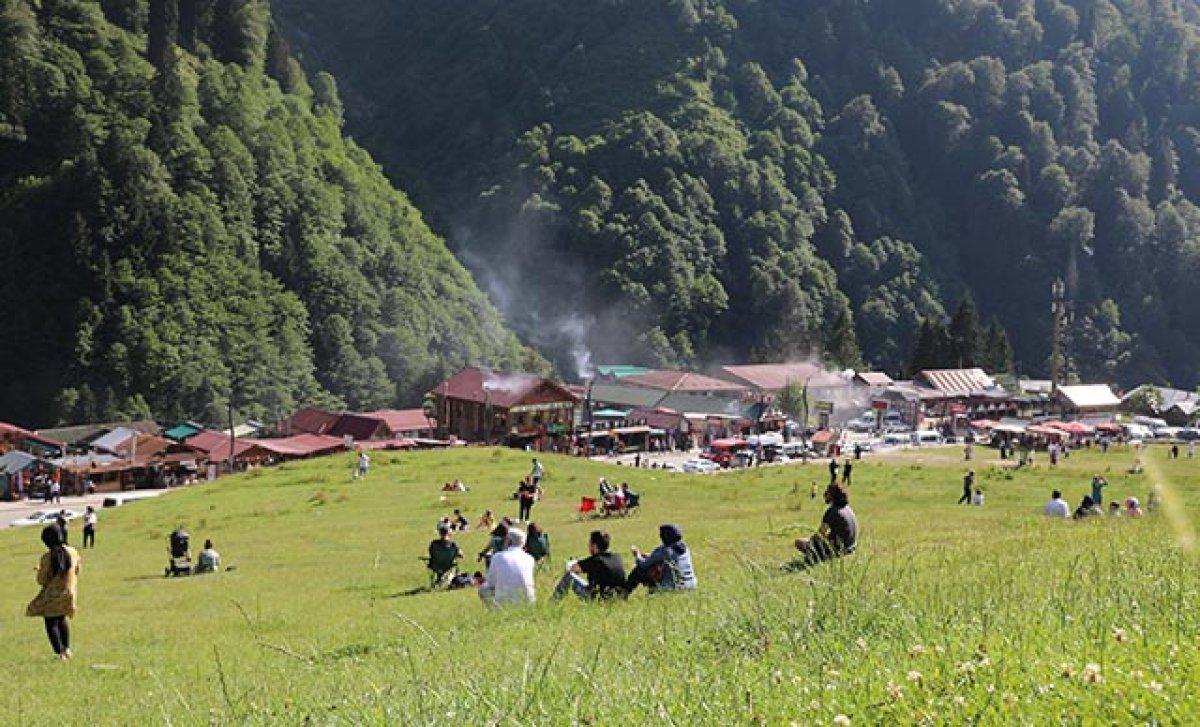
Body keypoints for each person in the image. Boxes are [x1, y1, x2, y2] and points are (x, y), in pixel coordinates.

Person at [26, 525, 81, 660]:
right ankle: (67, 649)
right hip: (69, 593)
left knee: (51, 622)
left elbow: (42, 580)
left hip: (52, 595)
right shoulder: (73, 552)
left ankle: (59, 652)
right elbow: (78, 569)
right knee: (62, 619)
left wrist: (39, 570)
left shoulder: (47, 557)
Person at [793, 483, 858, 566]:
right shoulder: (847, 508)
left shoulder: (832, 512)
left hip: (840, 550)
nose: (825, 495)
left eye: (827, 493)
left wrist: (809, 544)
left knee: (799, 542)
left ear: (832, 495)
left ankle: (814, 559)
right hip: (851, 547)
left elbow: (820, 535)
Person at [554, 530, 628, 600]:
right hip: (619, 597)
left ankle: (553, 603)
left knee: (569, 577)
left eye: (589, 543)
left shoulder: (596, 560)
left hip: (599, 599)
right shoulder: (617, 557)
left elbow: (573, 569)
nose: (588, 546)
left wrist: (571, 564)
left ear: (594, 546)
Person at [627, 524, 698, 594]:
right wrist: (651, 556)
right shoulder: (685, 548)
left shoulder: (664, 550)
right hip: (692, 585)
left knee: (639, 570)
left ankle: (623, 593)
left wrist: (637, 555)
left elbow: (643, 565)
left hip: (674, 587)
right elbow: (671, 559)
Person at [480, 528, 536, 606]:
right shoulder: (530, 558)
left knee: (483, 589)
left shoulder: (498, 556)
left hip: (505, 603)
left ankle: (494, 612)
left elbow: (491, 583)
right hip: (529, 602)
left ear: (509, 541)